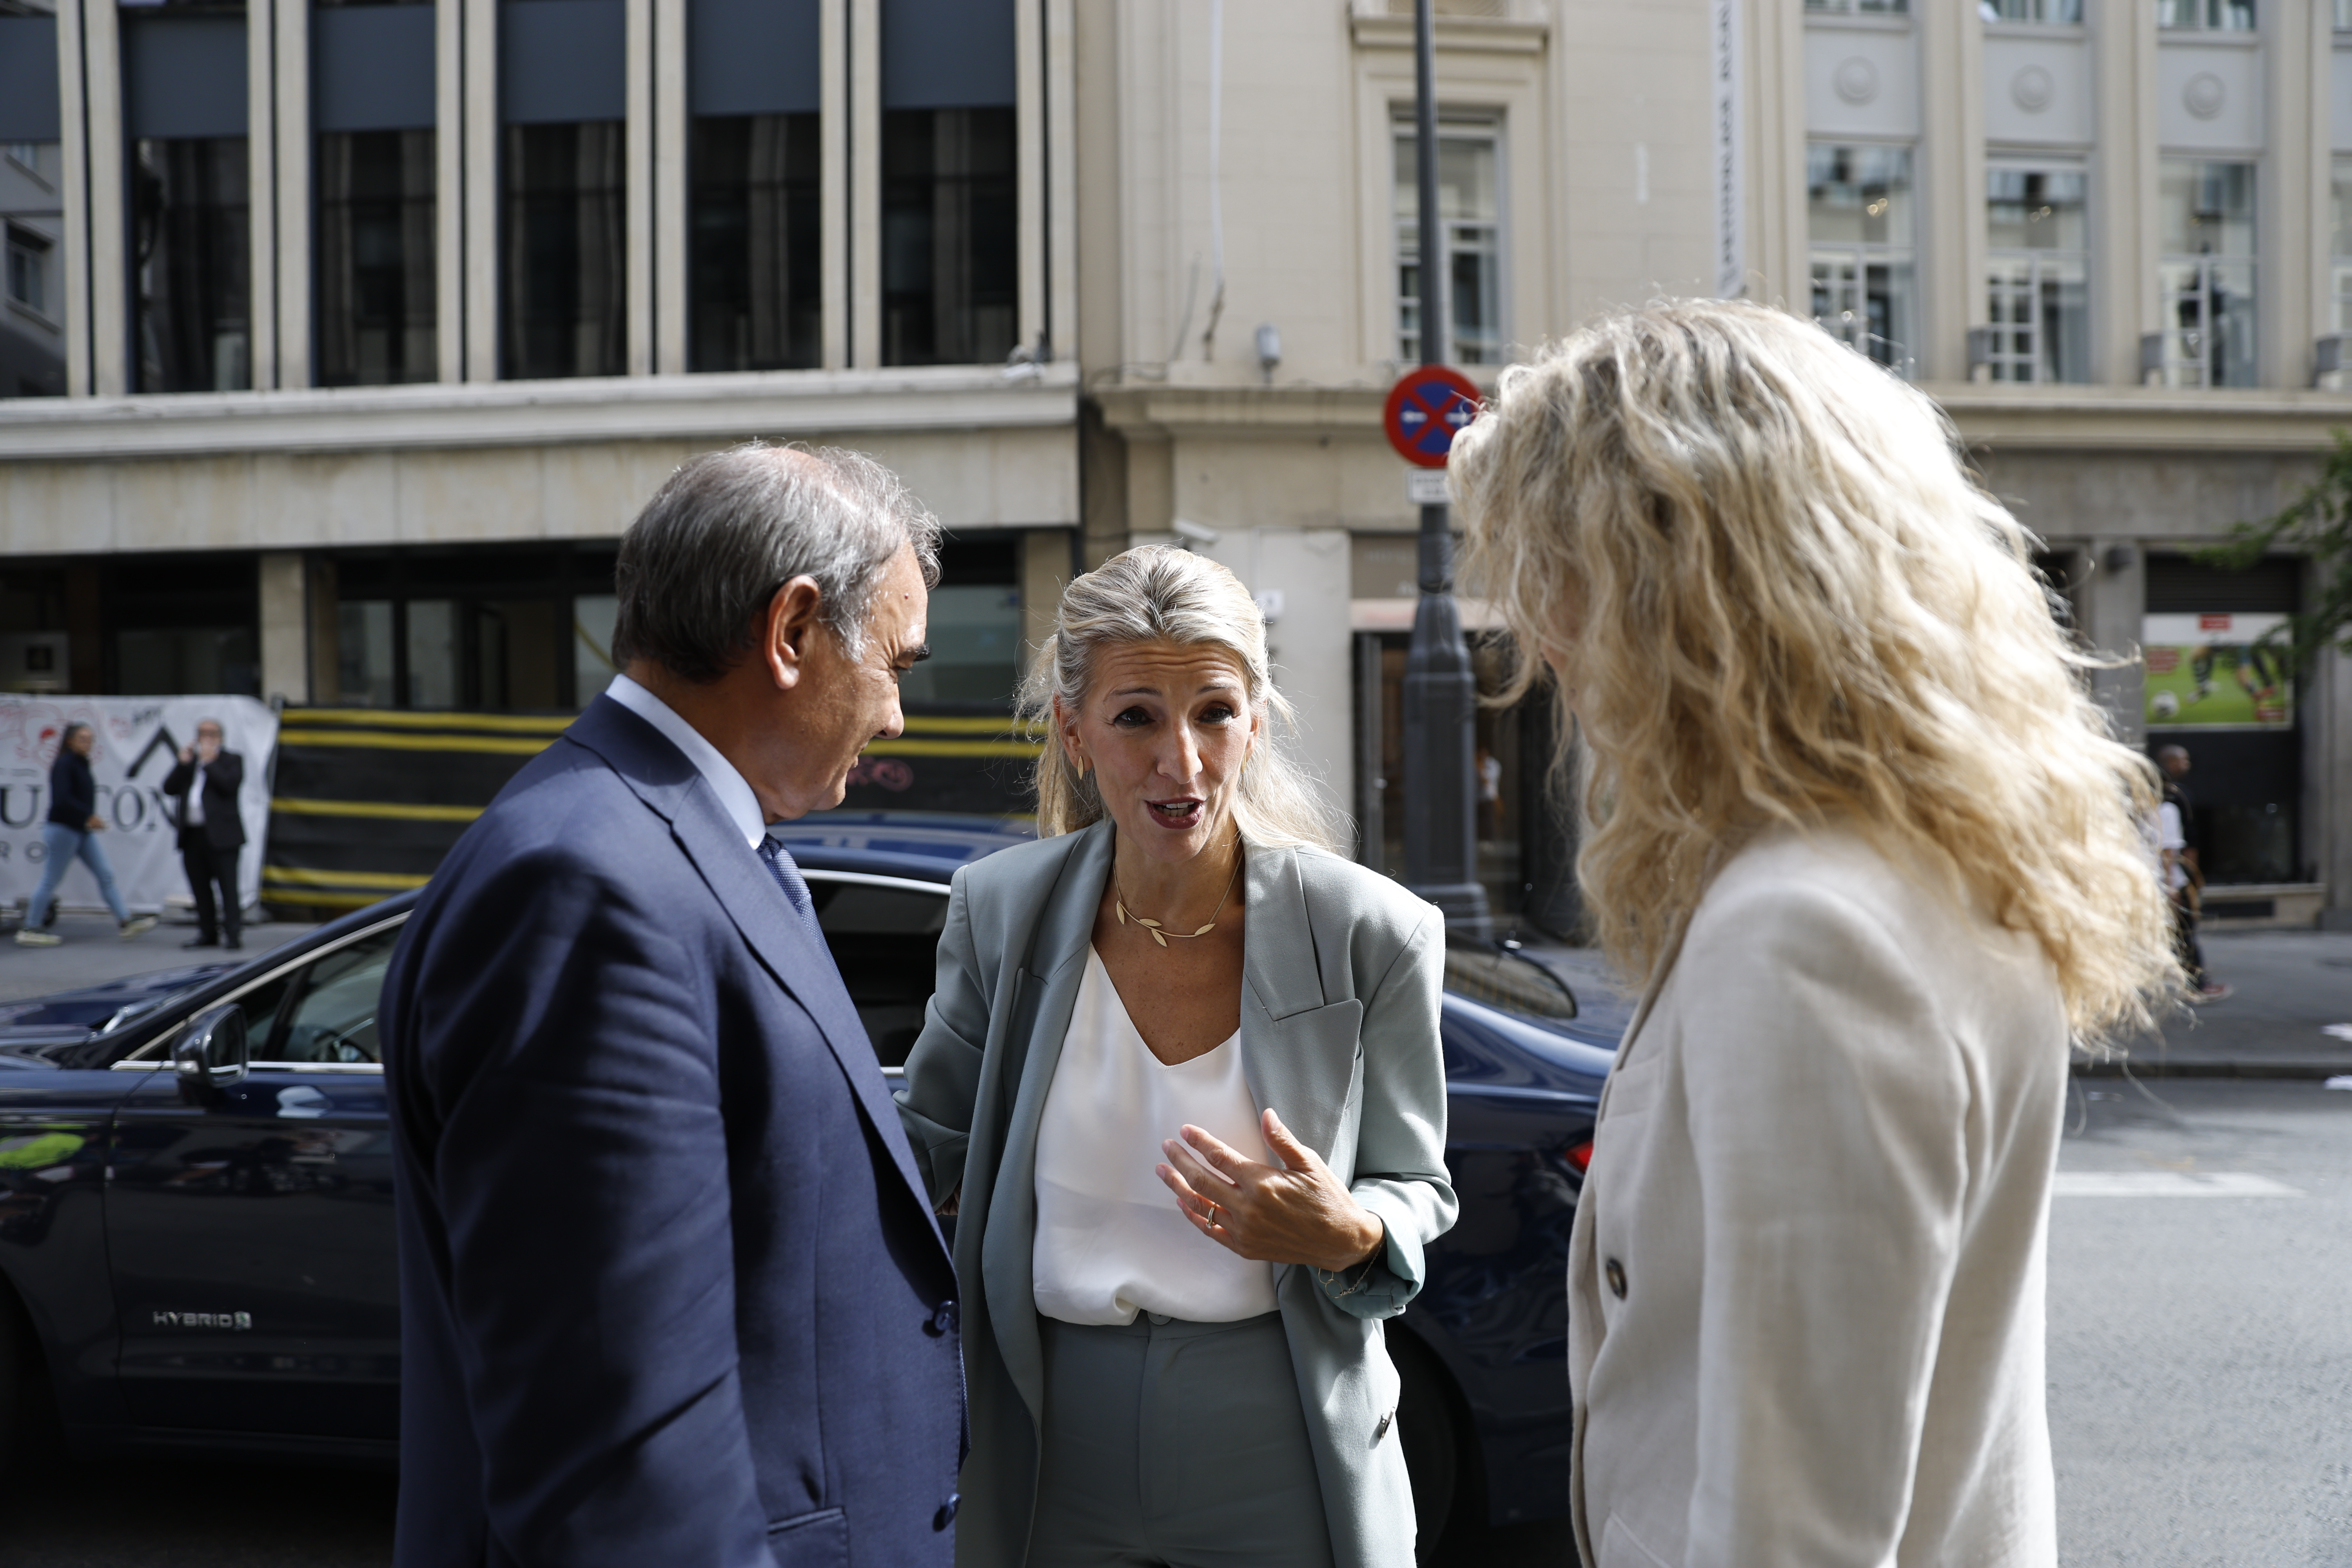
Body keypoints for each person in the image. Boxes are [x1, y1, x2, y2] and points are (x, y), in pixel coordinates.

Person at [1448, 300, 2180, 1568]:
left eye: (1559, 578)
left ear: (1678, 597)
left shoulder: (1803, 931)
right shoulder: (1930, 866)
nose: (1545, 646)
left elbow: (1793, 1527)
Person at [379, 445, 966, 1567]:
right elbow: (623, 1450)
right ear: (793, 633)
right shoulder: (588, 886)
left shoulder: (675, 844)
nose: (896, 716)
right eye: (896, 663)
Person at [896, 546, 1457, 1568]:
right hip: (1047, 1423)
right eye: (1136, 716)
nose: (1182, 762)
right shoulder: (1000, 913)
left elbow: (1415, 1182)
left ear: (1256, 719)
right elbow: (915, 1157)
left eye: (1213, 713)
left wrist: (1351, 1230)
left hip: (1278, 1428)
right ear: (1074, 732)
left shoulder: (1373, 931)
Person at [17, 722, 156, 947]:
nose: (88, 743)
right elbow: (62, 799)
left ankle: (125, 921)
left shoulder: (81, 763)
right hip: (63, 829)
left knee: (105, 874)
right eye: (83, 739)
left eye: (90, 739)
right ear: (70, 741)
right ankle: (30, 926)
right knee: (51, 879)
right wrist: (88, 816)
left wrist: (87, 819)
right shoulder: (64, 764)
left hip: (81, 830)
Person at [162, 716, 247, 950]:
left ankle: (233, 934)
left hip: (223, 836)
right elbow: (169, 788)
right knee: (200, 887)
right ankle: (207, 932)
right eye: (202, 734)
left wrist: (210, 764)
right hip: (193, 834)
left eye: (211, 735)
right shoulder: (190, 763)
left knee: (228, 887)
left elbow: (230, 786)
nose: (206, 739)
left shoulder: (232, 760)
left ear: (220, 738)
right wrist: (182, 764)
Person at [2156, 743, 2228, 1002]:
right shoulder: (2172, 805)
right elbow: (2172, 851)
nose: (2187, 765)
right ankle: (2196, 983)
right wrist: (2175, 885)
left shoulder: (2149, 806)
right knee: (2185, 932)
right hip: (2168, 882)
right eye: (2182, 760)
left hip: (2151, 881)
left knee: (2176, 933)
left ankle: (2191, 981)